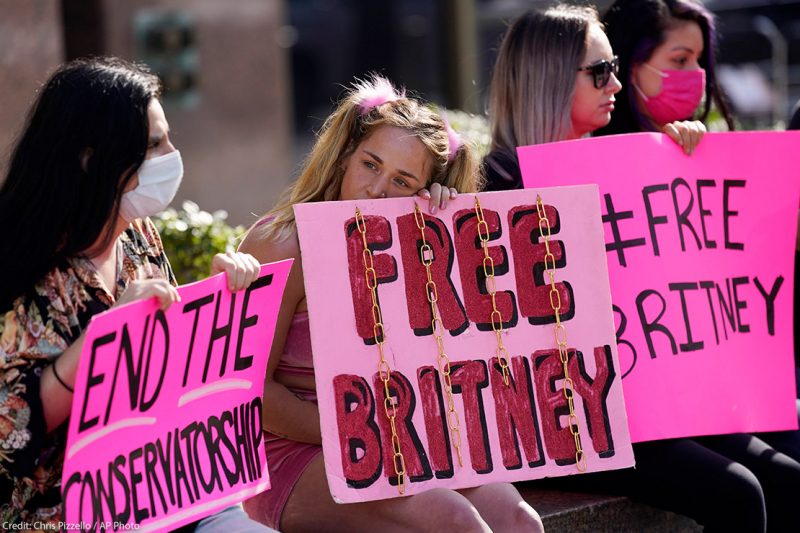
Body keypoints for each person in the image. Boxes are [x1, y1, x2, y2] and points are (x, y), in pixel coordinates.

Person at [239, 75, 544, 532]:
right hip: (293, 450)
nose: (378, 189)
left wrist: (441, 233)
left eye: (403, 181)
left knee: (518, 518)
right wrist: (361, 432)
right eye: (370, 164)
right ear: (344, 158)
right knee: (451, 518)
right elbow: (250, 393)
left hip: (401, 440)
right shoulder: (281, 242)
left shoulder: (416, 239)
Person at [0, 57, 272, 531]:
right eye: (152, 144)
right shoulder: (21, 265)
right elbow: (14, 434)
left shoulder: (138, 236)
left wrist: (216, 298)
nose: (171, 154)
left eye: (166, 137)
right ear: (90, 157)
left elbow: (166, 365)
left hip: (158, 490)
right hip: (59, 515)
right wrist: (105, 339)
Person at [483, 3, 702, 192]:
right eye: (600, 71)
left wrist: (678, 153)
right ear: (551, 79)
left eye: (614, 67)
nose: (615, 85)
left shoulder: (612, 165)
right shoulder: (491, 183)